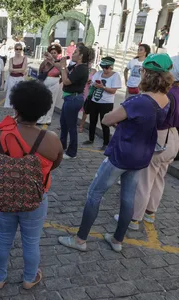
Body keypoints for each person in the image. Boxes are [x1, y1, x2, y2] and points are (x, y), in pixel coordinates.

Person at [58, 53, 173, 253]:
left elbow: (107, 120)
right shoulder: (166, 100)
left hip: (123, 153)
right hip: (142, 154)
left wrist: (124, 119)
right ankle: (117, 240)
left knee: (95, 193)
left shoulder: (139, 100)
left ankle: (80, 239)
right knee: (128, 197)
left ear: (147, 74)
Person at [0, 80, 63, 290]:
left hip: (4, 195)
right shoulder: (51, 139)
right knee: (31, 241)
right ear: (43, 110)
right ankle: (30, 278)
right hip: (36, 199)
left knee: (3, 237)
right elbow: (55, 165)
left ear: (15, 106)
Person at [122, 55, 179, 230]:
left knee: (144, 180)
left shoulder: (165, 94)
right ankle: (150, 213)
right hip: (174, 137)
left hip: (159, 136)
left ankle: (134, 218)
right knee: (159, 177)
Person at [56, 45, 93, 159]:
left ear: (81, 55)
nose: (73, 53)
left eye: (76, 52)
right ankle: (62, 146)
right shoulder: (76, 66)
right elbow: (65, 71)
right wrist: (53, 61)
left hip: (74, 99)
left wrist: (62, 68)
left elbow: (66, 81)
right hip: (69, 98)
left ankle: (72, 152)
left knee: (71, 126)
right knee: (64, 123)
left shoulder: (82, 68)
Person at [82, 57, 122, 150]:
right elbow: (92, 83)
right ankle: (90, 139)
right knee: (92, 121)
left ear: (111, 67)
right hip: (94, 101)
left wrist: (102, 87)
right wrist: (92, 84)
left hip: (106, 103)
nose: (104, 69)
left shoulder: (115, 76)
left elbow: (113, 91)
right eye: (103, 67)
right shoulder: (99, 73)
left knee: (104, 123)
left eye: (107, 67)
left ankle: (106, 143)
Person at [37, 44, 63, 125]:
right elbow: (40, 70)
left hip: (55, 82)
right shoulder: (46, 62)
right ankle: (40, 118)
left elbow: (63, 72)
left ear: (57, 53)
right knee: (42, 101)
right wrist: (45, 61)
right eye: (51, 53)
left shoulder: (59, 62)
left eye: (54, 53)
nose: (53, 54)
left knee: (52, 101)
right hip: (45, 82)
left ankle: (48, 119)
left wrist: (58, 82)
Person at [4, 43, 27, 109]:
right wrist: (20, 70)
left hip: (20, 79)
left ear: (22, 50)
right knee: (11, 95)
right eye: (17, 49)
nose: (18, 50)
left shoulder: (24, 58)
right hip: (12, 79)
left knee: (20, 96)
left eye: (20, 49)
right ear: (14, 49)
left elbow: (23, 69)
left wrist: (15, 70)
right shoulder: (11, 59)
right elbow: (10, 70)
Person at [78, 59, 97, 133]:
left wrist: (92, 82)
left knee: (85, 110)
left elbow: (96, 80)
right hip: (80, 90)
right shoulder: (81, 69)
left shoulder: (94, 71)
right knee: (75, 108)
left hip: (88, 91)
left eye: (90, 62)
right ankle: (69, 124)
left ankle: (81, 126)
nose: (89, 64)